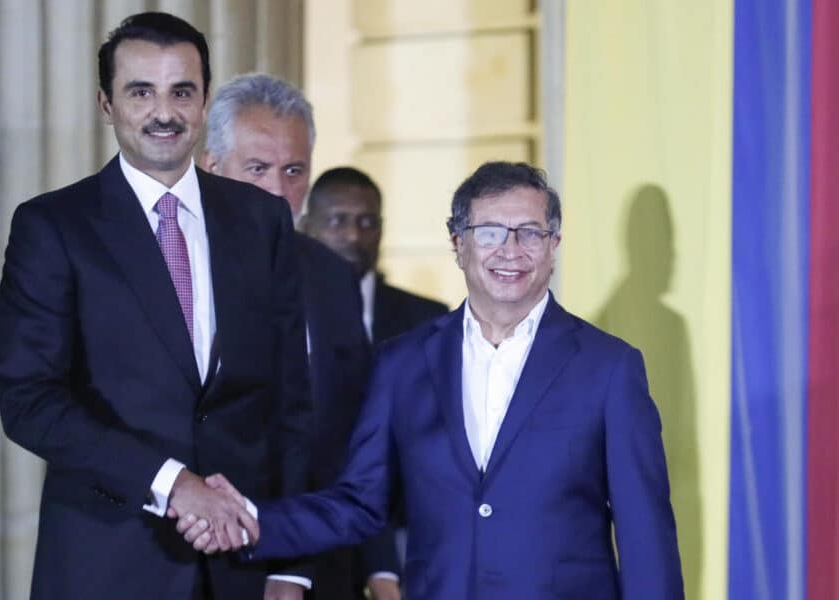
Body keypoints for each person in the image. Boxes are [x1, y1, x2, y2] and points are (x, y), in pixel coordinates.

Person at [183, 162, 685, 599]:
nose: (510, 250)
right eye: (489, 231)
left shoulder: (609, 368)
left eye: (530, 232)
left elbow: (646, 537)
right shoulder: (404, 363)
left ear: (553, 245)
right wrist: (248, 519)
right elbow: (360, 503)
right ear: (458, 243)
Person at [0, 13, 313, 599]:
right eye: (141, 92)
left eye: (181, 92)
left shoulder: (261, 220)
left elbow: (291, 400)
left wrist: (289, 564)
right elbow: (28, 400)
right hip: (108, 563)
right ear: (106, 104)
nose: (164, 113)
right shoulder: (54, 226)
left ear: (204, 102)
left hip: (243, 564)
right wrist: (173, 484)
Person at [199, 73, 402, 600]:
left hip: (310, 569)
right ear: (210, 167)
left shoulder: (332, 277)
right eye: (257, 168)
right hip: (182, 565)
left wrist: (301, 570)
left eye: (293, 171)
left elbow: (351, 439)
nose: (277, 190)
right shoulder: (171, 269)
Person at [302, 166, 448, 344]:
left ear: (381, 230)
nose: (354, 235)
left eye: (367, 222)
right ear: (306, 228)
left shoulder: (428, 321)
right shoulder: (275, 314)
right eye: (337, 221)